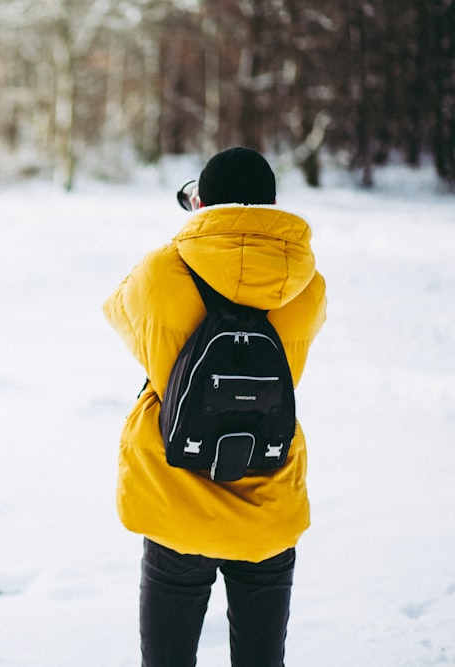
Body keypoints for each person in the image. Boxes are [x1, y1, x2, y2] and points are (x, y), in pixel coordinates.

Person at [103, 146, 327, 666]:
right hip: (268, 499)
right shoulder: (306, 284)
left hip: (175, 496)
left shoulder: (162, 271)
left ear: (202, 203)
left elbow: (119, 311)